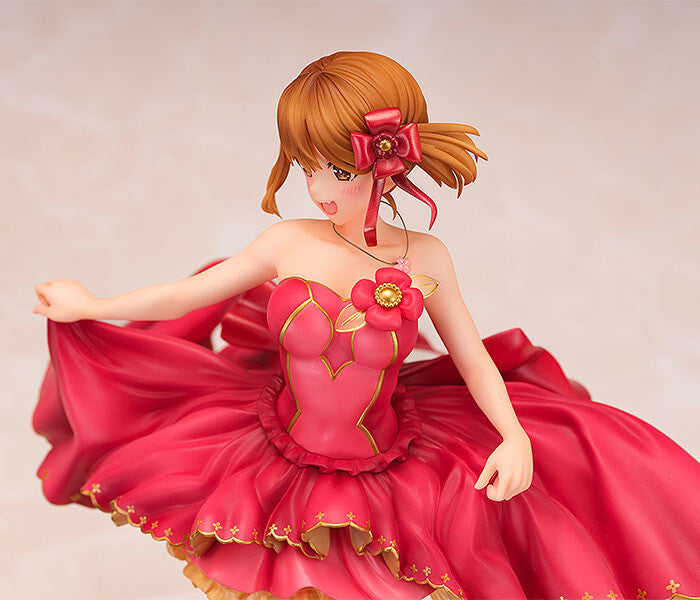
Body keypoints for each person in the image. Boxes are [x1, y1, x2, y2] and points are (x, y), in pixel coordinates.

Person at [32, 51, 700, 600]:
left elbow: (473, 359)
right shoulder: (288, 241)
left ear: (390, 162)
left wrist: (514, 436)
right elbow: (187, 296)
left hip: (393, 474)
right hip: (274, 464)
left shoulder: (425, 257)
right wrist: (91, 306)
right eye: (305, 167)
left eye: (336, 170)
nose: (318, 189)